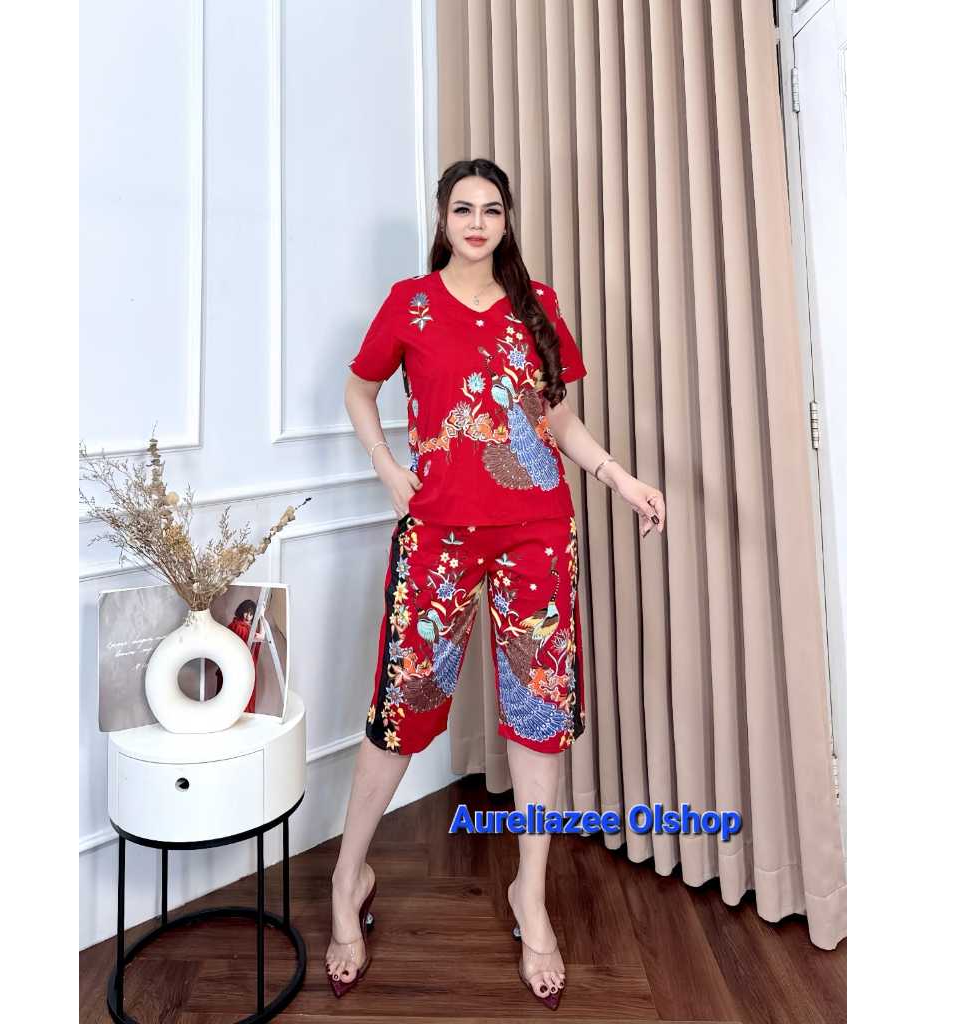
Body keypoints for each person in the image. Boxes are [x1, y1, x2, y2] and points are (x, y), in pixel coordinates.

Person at [328, 158, 666, 1008]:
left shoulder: (536, 304)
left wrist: (619, 478)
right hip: (438, 536)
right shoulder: (409, 304)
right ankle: (347, 876)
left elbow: (557, 420)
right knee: (403, 708)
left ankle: (531, 895)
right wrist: (388, 468)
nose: (477, 222)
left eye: (491, 209)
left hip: (536, 534)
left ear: (507, 221)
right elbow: (360, 390)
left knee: (540, 714)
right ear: (443, 220)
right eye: (462, 208)